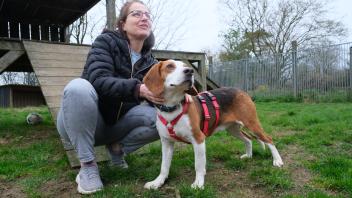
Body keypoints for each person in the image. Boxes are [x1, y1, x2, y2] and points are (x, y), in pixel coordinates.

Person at [56, 0, 163, 194]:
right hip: (84, 121)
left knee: (162, 120)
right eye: (137, 13)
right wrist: (137, 89)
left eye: (147, 15)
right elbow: (98, 80)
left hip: (117, 127)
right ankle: (87, 166)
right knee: (78, 87)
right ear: (122, 24)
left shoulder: (151, 62)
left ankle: (117, 150)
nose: (144, 17)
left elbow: (160, 96)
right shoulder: (105, 42)